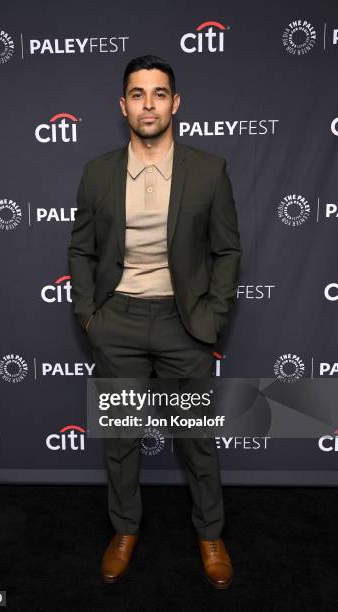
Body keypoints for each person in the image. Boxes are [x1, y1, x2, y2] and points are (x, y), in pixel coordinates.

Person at [68, 54, 242, 588]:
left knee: (197, 439)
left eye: (159, 93)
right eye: (138, 94)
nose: (149, 104)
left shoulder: (209, 170)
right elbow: (81, 250)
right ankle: (124, 530)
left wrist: (210, 316)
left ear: (175, 102)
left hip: (184, 324)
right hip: (115, 323)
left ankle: (210, 533)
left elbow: (228, 251)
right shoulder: (97, 172)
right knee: (120, 440)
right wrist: (89, 316)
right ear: (123, 106)